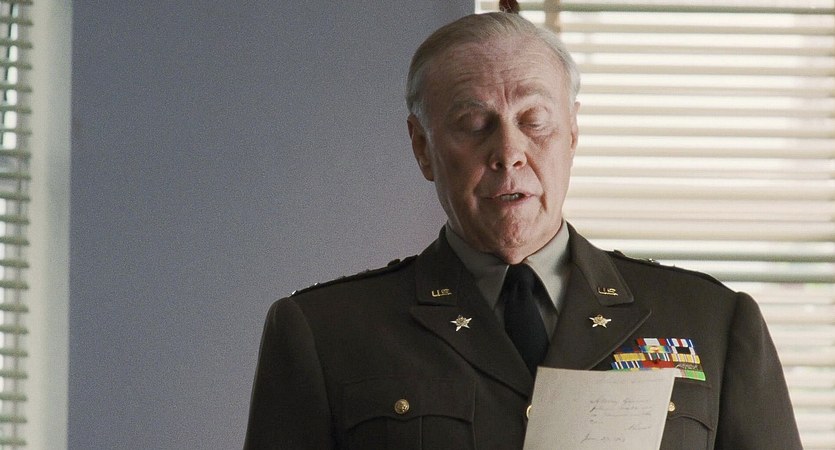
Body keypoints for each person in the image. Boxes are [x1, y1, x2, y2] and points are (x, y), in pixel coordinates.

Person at [244, 12, 802, 449]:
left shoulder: (713, 322)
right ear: (422, 147)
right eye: (473, 124)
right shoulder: (325, 332)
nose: (509, 152)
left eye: (535, 122)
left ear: (573, 134)